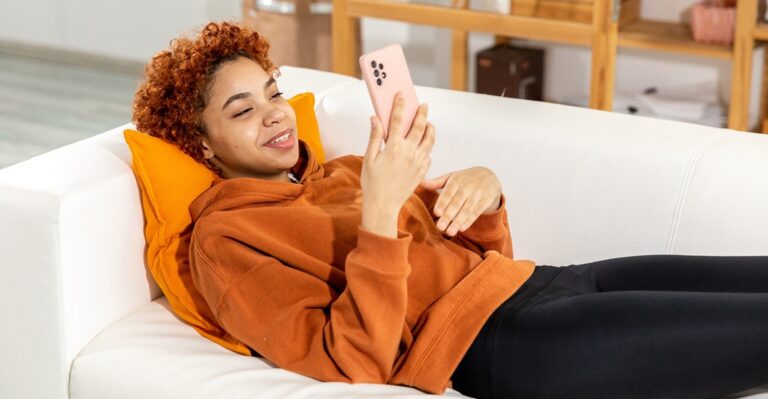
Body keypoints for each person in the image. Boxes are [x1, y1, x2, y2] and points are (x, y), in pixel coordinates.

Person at [132, 21, 768, 399]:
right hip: (511, 346)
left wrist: (484, 194)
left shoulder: (344, 171)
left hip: (551, 283)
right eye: (241, 109)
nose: (273, 112)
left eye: (272, 93)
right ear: (201, 145)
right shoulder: (225, 239)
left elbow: (483, 256)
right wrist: (379, 219)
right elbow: (348, 362)